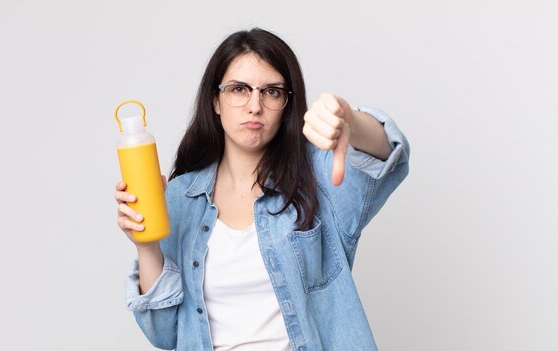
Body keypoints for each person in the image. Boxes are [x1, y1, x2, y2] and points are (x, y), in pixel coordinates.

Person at [115, 28, 409, 351]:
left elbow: (386, 157)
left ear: (286, 105)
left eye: (271, 91)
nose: (255, 105)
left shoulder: (316, 180)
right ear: (216, 100)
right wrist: (146, 247)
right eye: (239, 89)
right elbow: (164, 333)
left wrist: (351, 121)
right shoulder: (180, 197)